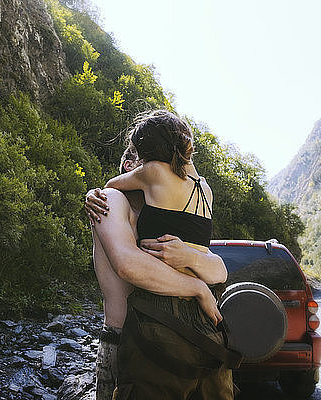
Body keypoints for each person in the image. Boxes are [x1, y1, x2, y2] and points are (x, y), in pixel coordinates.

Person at [91, 110, 234, 400]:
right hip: (139, 332)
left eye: (137, 159)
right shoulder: (112, 202)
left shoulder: (157, 202)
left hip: (171, 330)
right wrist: (199, 289)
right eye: (127, 162)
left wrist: (192, 261)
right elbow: (130, 265)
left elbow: (219, 269)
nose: (131, 167)